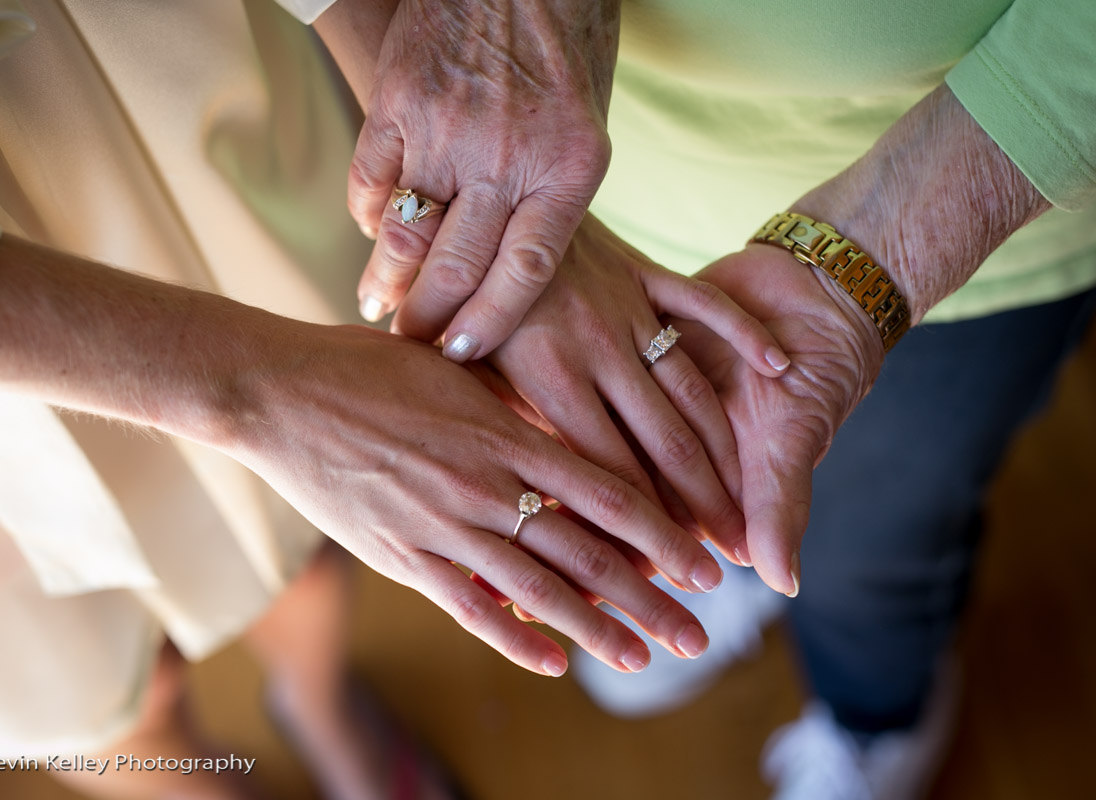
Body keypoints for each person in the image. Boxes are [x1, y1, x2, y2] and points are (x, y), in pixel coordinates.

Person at [0, 1, 786, 798]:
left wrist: (475, 191)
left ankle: (319, 706)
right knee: (81, 684)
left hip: (145, 96)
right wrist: (267, 394)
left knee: (308, 542)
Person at [318, 0, 1096, 797]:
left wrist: (873, 260)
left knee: (872, 552)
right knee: (693, 473)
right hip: (606, 207)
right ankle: (728, 559)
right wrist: (515, 224)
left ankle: (873, 718)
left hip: (973, 212)